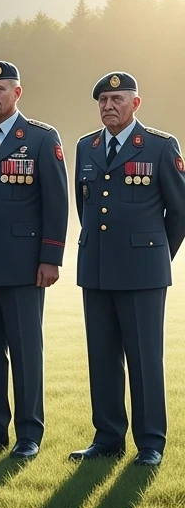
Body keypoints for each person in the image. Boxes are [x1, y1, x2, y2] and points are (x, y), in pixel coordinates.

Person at [0, 61, 69, 460]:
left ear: (17, 93)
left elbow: (57, 201)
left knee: (25, 350)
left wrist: (50, 256)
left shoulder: (39, 138)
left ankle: (29, 434)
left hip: (24, 265)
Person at [70, 72, 185, 468]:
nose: (108, 106)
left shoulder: (159, 146)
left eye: (117, 98)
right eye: (102, 100)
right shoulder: (87, 146)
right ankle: (107, 438)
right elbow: (83, 206)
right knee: (101, 359)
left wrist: (155, 256)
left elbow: (180, 212)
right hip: (97, 268)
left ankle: (150, 442)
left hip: (143, 273)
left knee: (144, 359)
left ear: (135, 103)